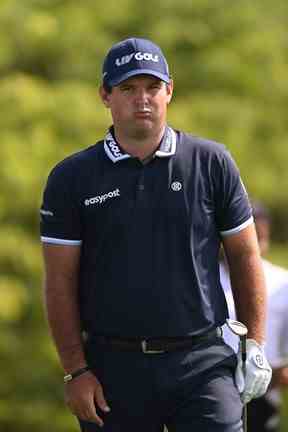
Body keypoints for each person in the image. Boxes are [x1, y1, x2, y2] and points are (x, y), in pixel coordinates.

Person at [40, 37, 272, 432]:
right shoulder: (71, 177)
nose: (142, 99)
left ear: (169, 91)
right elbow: (59, 281)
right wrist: (75, 371)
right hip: (113, 368)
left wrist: (254, 345)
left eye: (152, 87)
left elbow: (245, 257)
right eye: (128, 88)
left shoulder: (211, 162)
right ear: (105, 96)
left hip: (203, 361)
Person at [221, 202, 288, 432]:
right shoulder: (205, 277)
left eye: (259, 238)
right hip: (210, 389)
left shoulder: (282, 282)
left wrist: (267, 377)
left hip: (263, 396)